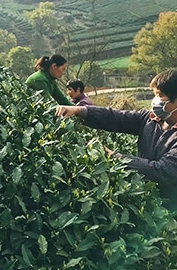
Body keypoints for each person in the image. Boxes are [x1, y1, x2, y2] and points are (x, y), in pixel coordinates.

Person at [55, 69, 177, 210]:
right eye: (155, 95)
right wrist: (79, 110)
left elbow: (162, 170)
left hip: (170, 210)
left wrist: (115, 157)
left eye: (160, 96)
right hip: (148, 200)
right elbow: (116, 117)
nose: (155, 101)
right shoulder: (150, 119)